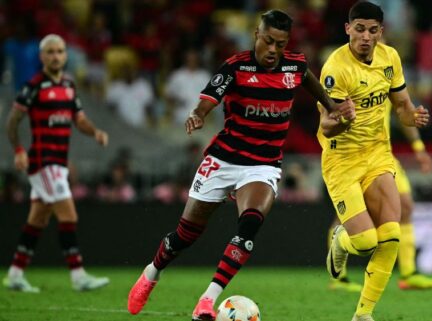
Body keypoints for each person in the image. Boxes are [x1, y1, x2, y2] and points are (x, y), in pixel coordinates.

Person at [127, 10, 354, 321]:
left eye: (281, 43)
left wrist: (332, 106)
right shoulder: (236, 66)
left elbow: (312, 84)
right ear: (256, 36)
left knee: (249, 226)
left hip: (262, 166)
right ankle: (151, 273)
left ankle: (207, 300)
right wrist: (198, 114)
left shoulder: (295, 65)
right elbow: (209, 97)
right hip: (223, 159)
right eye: (269, 41)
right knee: (185, 235)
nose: (274, 50)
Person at [317, 2, 429, 321]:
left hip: (378, 154)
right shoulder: (335, 68)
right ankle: (340, 242)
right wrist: (343, 119)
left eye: (373, 30)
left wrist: (412, 117)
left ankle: (363, 315)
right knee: (365, 242)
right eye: (360, 29)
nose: (366, 36)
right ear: (348, 29)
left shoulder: (389, 57)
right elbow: (326, 125)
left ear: (381, 31)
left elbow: (402, 105)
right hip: (342, 160)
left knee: (390, 234)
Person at [3, 34, 110, 293]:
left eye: (60, 51)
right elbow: (12, 121)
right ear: (42, 57)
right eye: (50, 52)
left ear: (65, 55)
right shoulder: (34, 86)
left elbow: (79, 119)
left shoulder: (69, 86)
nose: (55, 56)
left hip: (59, 162)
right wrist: (18, 150)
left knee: (38, 219)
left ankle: (16, 273)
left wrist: (95, 131)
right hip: (43, 160)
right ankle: (78, 276)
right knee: (68, 215)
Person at [327, 108, 432, 292]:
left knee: (406, 207)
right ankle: (339, 277)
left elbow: (404, 109)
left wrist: (418, 148)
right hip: (351, 156)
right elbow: (329, 117)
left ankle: (408, 274)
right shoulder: (347, 81)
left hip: (383, 155)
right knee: (345, 217)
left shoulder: (388, 80)